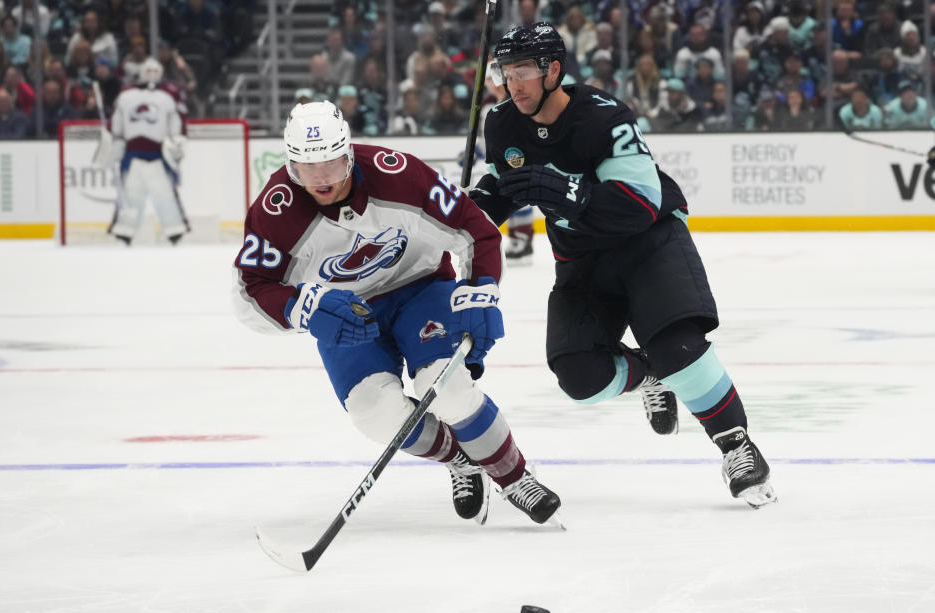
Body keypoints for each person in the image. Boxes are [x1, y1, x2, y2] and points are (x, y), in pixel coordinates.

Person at [469, 23, 777, 508]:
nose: (513, 84)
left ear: (553, 70)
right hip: (581, 259)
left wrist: (566, 192)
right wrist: (464, 215)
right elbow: (500, 189)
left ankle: (736, 445)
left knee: (679, 347)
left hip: (647, 243)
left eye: (523, 70)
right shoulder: (503, 122)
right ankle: (649, 374)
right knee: (579, 376)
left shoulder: (603, 116)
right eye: (504, 72)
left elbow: (640, 201)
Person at [232, 100, 561, 525]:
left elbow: (474, 229)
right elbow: (250, 290)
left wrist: (480, 290)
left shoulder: (398, 172)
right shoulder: (275, 211)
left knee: (448, 386)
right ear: (290, 164)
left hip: (420, 287)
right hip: (345, 310)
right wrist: (303, 309)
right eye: (307, 169)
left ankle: (514, 476)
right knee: (376, 415)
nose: (322, 180)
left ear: (349, 152)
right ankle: (462, 458)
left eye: (331, 165)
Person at [97, 58, 190, 245]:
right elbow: (117, 126)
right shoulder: (126, 96)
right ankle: (124, 232)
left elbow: (176, 126)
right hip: (132, 156)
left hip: (158, 155)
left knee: (165, 194)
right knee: (131, 195)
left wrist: (177, 143)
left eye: (155, 71)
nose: (152, 75)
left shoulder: (167, 97)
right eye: (148, 71)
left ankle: (175, 231)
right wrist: (112, 140)